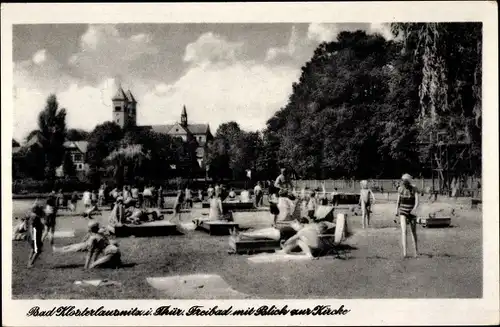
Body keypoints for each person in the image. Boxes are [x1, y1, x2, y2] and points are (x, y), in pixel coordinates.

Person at [52, 221, 121, 269]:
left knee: (92, 265)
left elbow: (90, 253)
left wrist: (87, 266)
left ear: (91, 229)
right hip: (113, 251)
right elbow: (97, 250)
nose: (88, 229)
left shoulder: (94, 237)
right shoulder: (99, 234)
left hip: (112, 252)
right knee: (73, 247)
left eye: (89, 228)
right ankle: (58, 249)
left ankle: (58, 249)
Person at [396, 173, 419, 258]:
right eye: (403, 181)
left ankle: (415, 251)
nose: (404, 183)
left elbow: (417, 202)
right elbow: (398, 201)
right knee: (404, 231)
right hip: (403, 211)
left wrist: (414, 209)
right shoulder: (400, 189)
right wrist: (396, 210)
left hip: (412, 212)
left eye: (406, 182)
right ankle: (405, 253)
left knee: (413, 232)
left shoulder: (414, 189)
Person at [26, 203, 46, 268]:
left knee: (33, 249)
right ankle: (30, 264)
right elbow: (32, 227)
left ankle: (29, 262)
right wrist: (33, 237)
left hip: (34, 235)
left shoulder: (32, 215)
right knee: (38, 250)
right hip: (35, 235)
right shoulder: (35, 217)